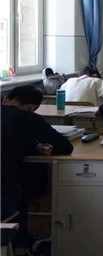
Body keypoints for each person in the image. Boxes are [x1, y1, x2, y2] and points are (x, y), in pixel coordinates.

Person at [1, 85, 74, 254]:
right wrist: (41, 147)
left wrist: (32, 147)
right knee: (16, 190)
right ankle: (22, 247)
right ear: (31, 108)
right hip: (4, 194)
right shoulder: (27, 118)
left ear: (6, 99)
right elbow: (65, 147)